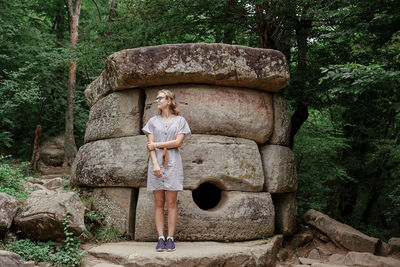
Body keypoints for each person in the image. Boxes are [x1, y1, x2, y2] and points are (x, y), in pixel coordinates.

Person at [141, 89, 191, 252]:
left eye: (160, 98)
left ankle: (170, 238)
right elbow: (150, 146)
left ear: (169, 101)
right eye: (156, 98)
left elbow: (177, 143)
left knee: (171, 203)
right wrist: (155, 164)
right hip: (156, 164)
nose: (157, 101)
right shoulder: (153, 122)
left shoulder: (180, 121)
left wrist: (157, 145)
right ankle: (160, 238)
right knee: (158, 203)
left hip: (173, 163)